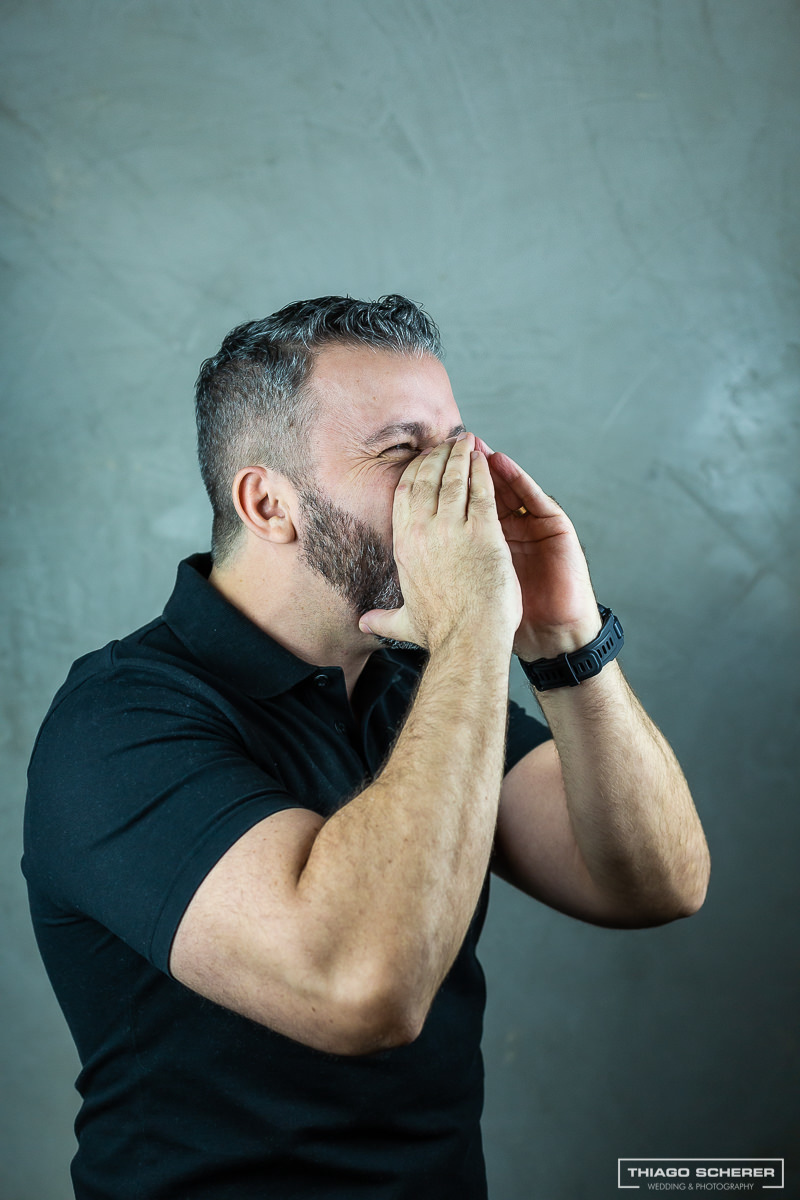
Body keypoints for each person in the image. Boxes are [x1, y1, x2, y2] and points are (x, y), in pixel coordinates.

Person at [23, 294, 710, 1200]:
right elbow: (360, 989)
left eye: (456, 447)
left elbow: (655, 883)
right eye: (403, 453)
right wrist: (471, 632)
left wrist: (561, 636)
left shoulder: (418, 688)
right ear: (269, 504)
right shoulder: (119, 721)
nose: (463, 490)